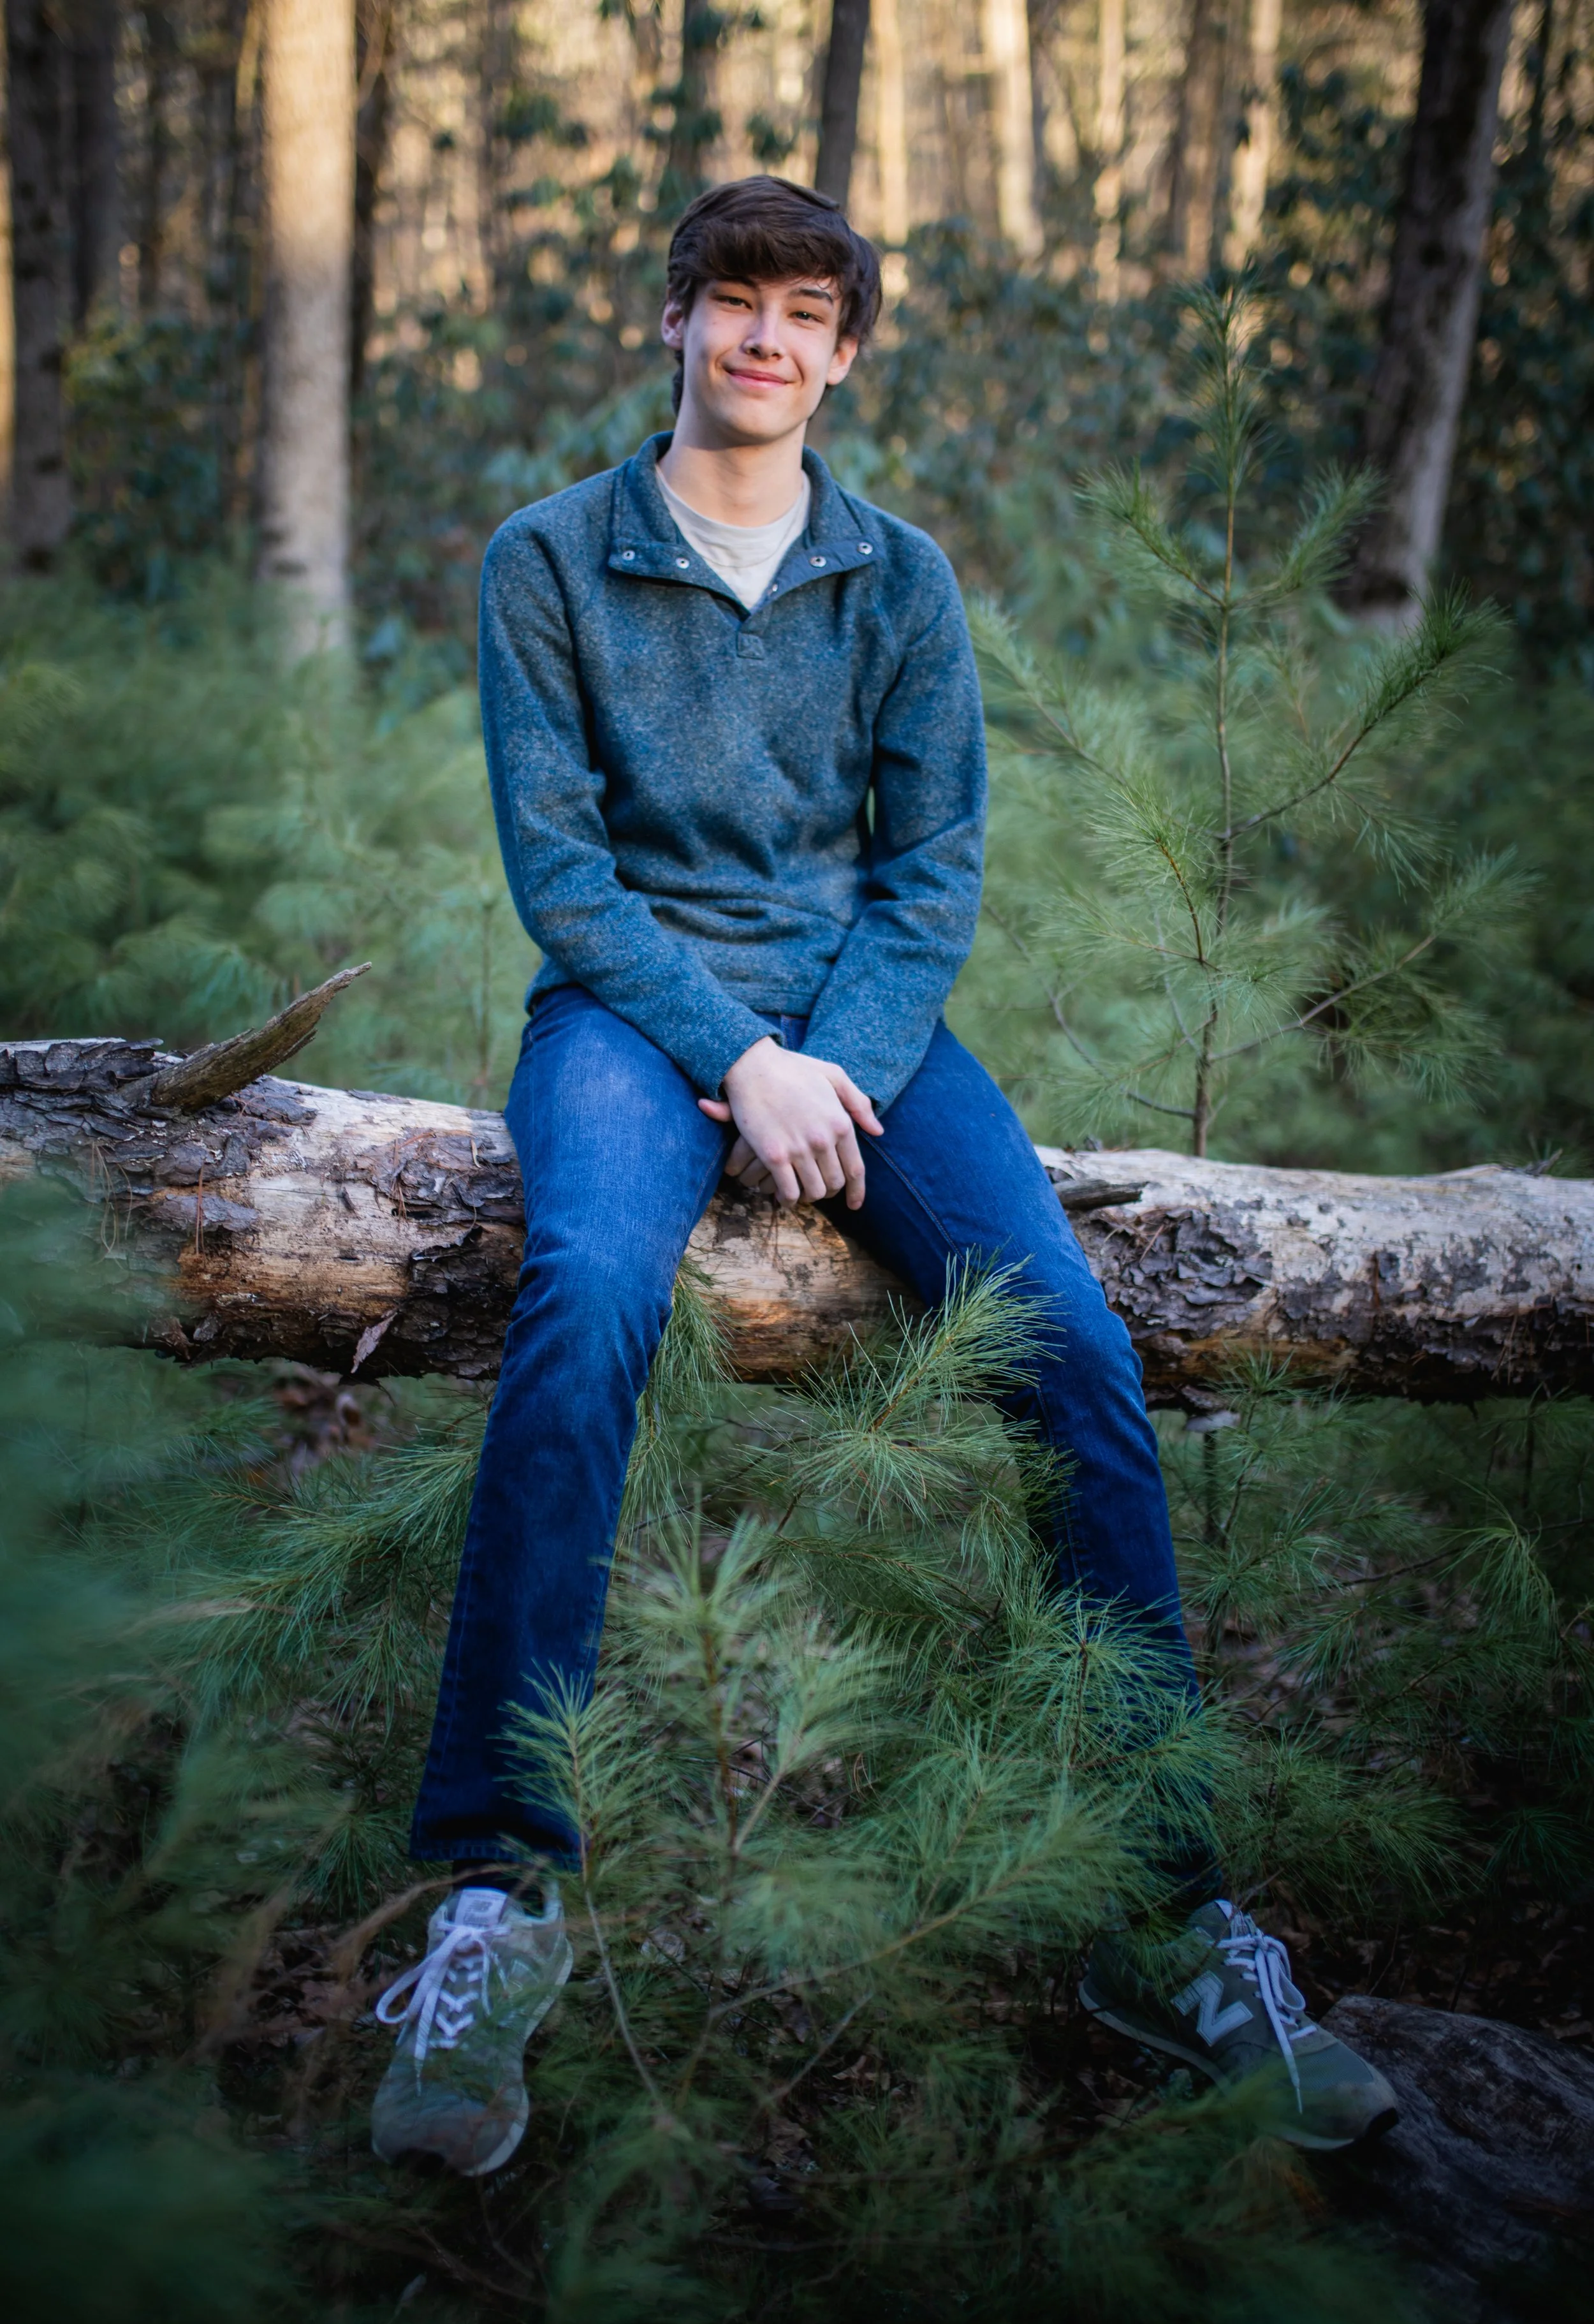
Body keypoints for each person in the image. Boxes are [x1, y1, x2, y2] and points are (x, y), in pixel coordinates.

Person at [370, 175, 1396, 2177]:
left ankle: (1164, 1910)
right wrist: (730, 1060)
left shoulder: (898, 578)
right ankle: (501, 1892)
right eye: (729, 303)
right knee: (581, 1301)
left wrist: (827, 1060)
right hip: (627, 1007)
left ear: (844, 353)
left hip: (865, 1024)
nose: (763, 338)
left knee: (1069, 1348)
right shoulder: (546, 559)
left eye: (802, 314)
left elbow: (931, 873)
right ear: (668, 326)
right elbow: (562, 869)